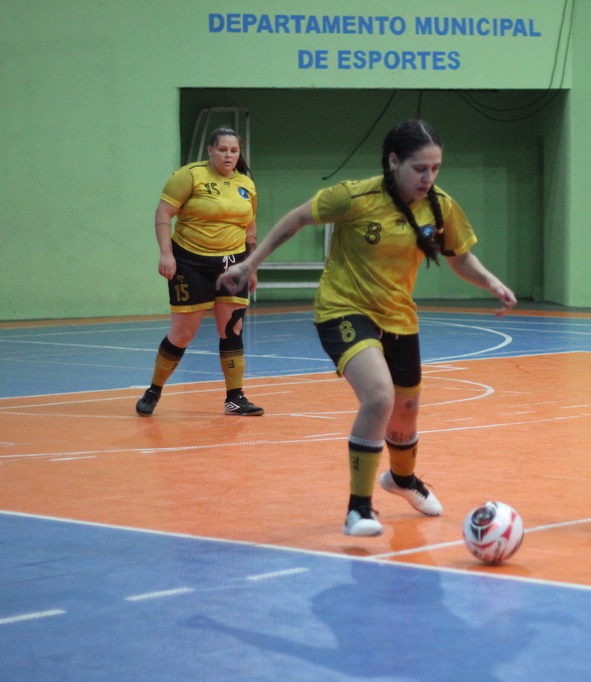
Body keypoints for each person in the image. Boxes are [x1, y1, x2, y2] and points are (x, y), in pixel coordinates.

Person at [216, 119, 517, 537]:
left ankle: (402, 479)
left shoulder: (439, 205)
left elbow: (459, 255)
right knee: (379, 396)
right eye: (419, 168)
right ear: (393, 162)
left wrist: (491, 282)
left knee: (404, 417)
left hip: (398, 316)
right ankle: (359, 509)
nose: (428, 178)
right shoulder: (354, 196)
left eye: (436, 168)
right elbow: (296, 219)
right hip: (344, 308)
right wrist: (250, 263)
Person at [136, 127, 264, 417]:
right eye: (223, 150)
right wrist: (166, 254)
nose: (228, 155)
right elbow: (163, 213)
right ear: (210, 150)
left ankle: (235, 398)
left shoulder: (246, 184)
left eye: (234, 151)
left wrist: (251, 265)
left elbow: (250, 228)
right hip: (191, 263)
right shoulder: (190, 175)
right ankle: (154, 390)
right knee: (183, 334)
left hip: (233, 266)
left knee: (231, 329)